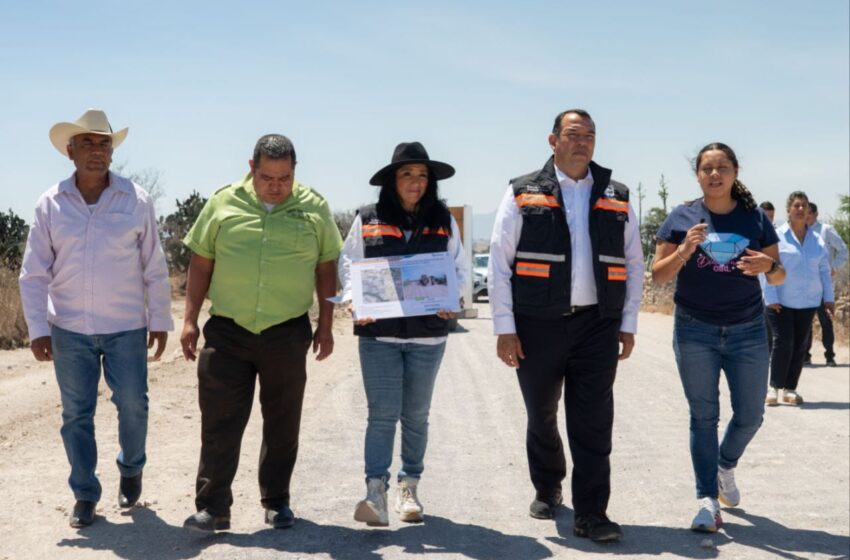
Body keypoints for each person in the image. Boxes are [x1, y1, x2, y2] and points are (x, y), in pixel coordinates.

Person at [488, 109, 644, 543]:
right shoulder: (522, 191)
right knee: (541, 414)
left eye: (590, 135)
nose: (583, 142)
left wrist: (627, 322)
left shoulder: (616, 194)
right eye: (574, 135)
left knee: (593, 421)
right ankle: (548, 483)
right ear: (552, 140)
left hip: (597, 325)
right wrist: (505, 327)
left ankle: (592, 512)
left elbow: (633, 262)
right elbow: (500, 262)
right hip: (537, 325)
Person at [180, 134, 343, 532]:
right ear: (251, 167)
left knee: (283, 420)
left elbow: (326, 267)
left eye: (285, 177)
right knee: (219, 422)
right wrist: (189, 319)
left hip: (286, 331)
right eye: (268, 177)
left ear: (294, 171)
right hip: (228, 331)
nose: (277, 186)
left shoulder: (314, 208)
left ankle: (276, 501)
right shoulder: (222, 202)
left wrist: (326, 323)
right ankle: (213, 507)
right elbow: (201, 263)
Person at [18, 109, 173, 528]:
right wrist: (36, 329)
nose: (96, 151)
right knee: (76, 415)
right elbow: (34, 273)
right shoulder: (50, 203)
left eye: (103, 143)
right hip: (69, 328)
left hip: (126, 326)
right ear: (70, 152)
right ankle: (85, 493)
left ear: (111, 152)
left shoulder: (135, 200)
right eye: (87, 143)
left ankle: (132, 465)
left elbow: (154, 265)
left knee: (133, 405)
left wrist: (159, 318)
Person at [653, 143, 784, 532]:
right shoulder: (682, 216)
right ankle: (707, 501)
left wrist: (770, 265)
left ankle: (725, 464)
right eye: (707, 168)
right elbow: (659, 275)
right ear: (697, 175)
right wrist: (685, 250)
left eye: (722, 167)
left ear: (735, 171)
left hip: (748, 330)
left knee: (750, 415)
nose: (715, 174)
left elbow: (779, 276)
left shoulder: (755, 218)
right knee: (703, 416)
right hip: (695, 329)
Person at [338, 142, 468, 526]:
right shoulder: (368, 218)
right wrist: (352, 299)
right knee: (381, 416)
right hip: (379, 336)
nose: (416, 182)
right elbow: (350, 264)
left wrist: (453, 299)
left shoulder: (444, 219)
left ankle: (408, 486)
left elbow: (459, 269)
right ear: (392, 181)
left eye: (422, 175)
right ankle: (374, 493)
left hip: (429, 337)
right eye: (407, 174)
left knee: (416, 415)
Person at [764, 192, 834, 405]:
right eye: (796, 205)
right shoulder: (777, 236)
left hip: (808, 301)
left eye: (804, 205)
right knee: (783, 342)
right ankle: (773, 388)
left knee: (799, 345)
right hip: (781, 299)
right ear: (789, 210)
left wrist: (828, 298)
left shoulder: (817, 240)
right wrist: (771, 296)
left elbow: (824, 270)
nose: (801, 209)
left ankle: (790, 389)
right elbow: (767, 268)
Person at [803, 202, 847, 366]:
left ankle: (830, 356)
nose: (805, 217)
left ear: (815, 214)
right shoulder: (800, 231)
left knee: (826, 320)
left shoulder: (826, 230)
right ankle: (805, 355)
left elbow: (843, 250)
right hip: (806, 285)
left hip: (823, 284)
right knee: (805, 321)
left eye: (808, 214)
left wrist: (834, 267)